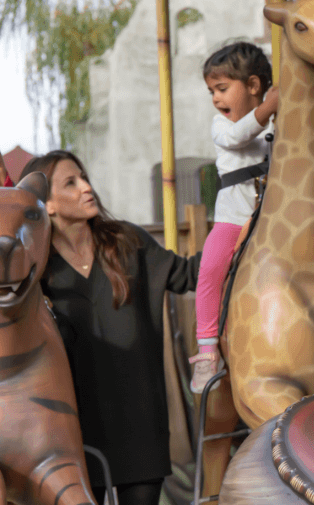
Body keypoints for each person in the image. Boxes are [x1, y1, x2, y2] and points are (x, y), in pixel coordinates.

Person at [20, 151, 202, 505]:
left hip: (141, 426)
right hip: (76, 435)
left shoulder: (126, 240)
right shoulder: (35, 270)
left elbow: (189, 275)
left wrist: (238, 237)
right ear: (49, 205)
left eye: (84, 177)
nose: (87, 187)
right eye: (70, 183)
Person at [190, 41, 278, 393]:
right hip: (233, 220)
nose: (215, 98)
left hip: (270, 219)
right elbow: (239, 136)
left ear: (253, 85)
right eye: (212, 90)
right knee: (210, 269)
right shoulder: (220, 125)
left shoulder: (277, 123)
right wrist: (269, 107)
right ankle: (208, 349)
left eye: (222, 89)